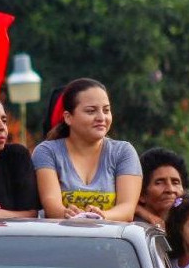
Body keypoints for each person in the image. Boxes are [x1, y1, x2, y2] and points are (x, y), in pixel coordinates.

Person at [33, 78, 142, 221]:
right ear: (68, 117)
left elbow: (127, 210)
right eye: (91, 111)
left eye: (106, 110)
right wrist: (67, 214)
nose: (101, 117)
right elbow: (52, 208)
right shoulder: (46, 152)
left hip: (109, 241)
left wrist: (100, 216)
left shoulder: (123, 152)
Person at [135, 147, 189, 228]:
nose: (170, 189)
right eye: (159, 183)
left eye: (175, 182)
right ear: (141, 195)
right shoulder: (133, 230)